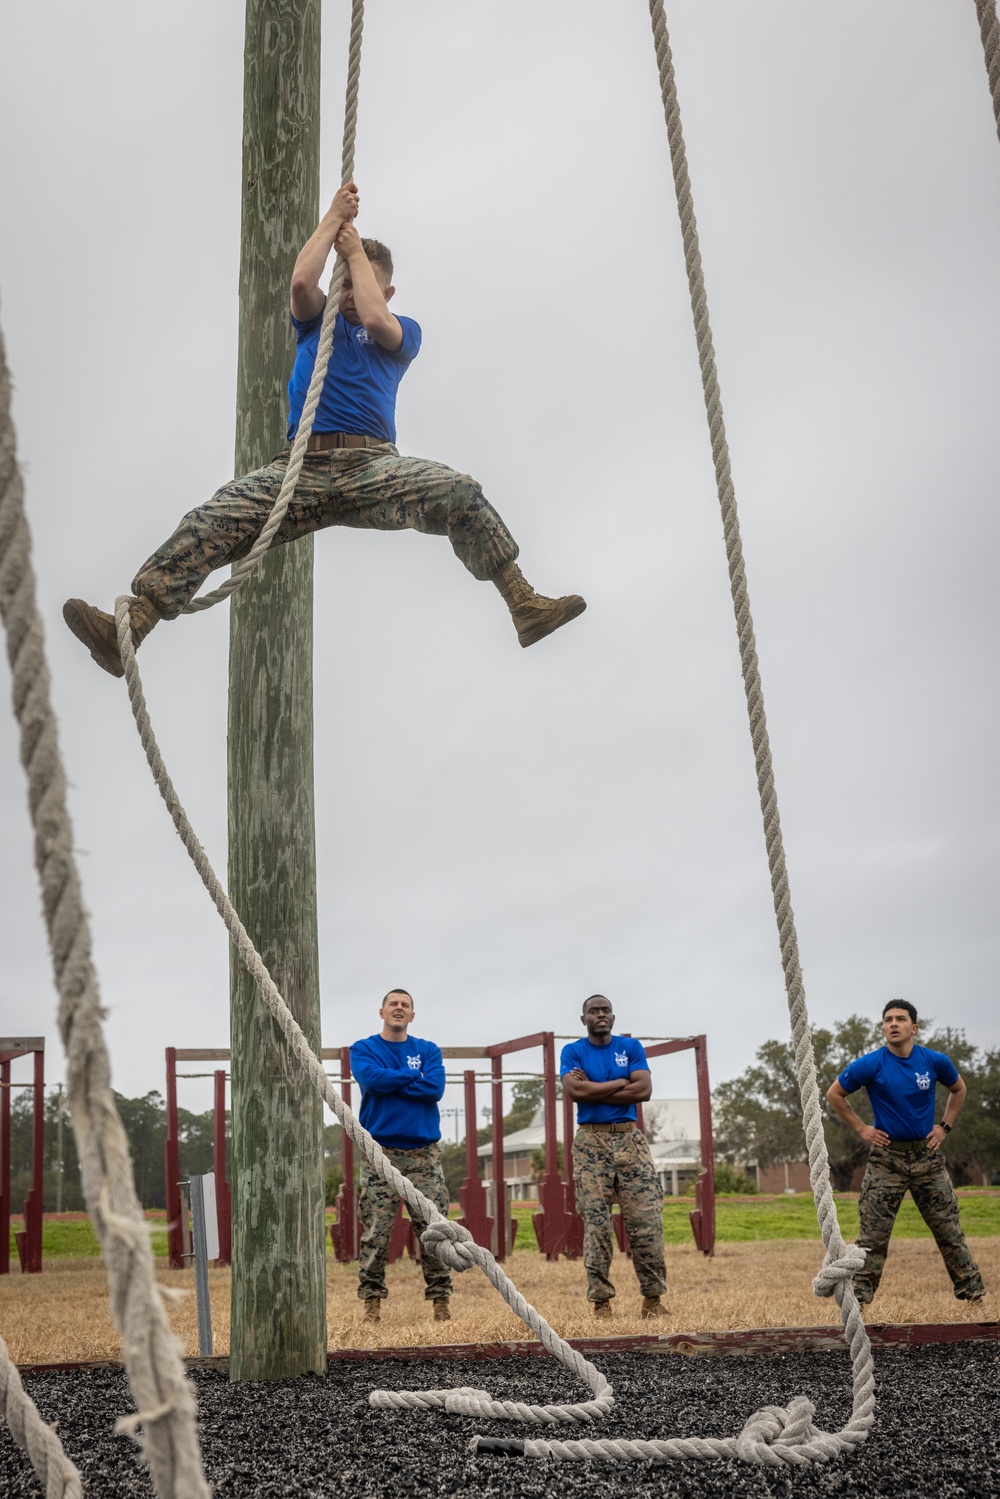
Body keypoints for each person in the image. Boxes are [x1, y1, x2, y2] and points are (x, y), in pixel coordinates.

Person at [62, 181, 586, 675]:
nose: (354, 296)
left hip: (371, 466)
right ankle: (131, 626)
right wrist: (334, 219)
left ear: (387, 288)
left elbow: (379, 320)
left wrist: (356, 253)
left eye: (364, 287)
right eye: (349, 286)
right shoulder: (316, 321)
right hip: (299, 469)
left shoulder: (402, 334)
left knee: (459, 492)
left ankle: (522, 603)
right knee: (211, 519)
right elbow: (300, 281)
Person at [827, 999, 986, 1306]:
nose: (893, 1024)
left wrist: (944, 1126)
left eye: (900, 1019)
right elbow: (835, 1094)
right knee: (872, 1238)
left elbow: (959, 1089)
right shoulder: (870, 1064)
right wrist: (862, 1129)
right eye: (888, 1020)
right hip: (887, 1161)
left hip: (927, 1159)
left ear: (914, 1027)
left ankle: (973, 1296)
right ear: (883, 1027)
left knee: (949, 1231)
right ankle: (859, 1302)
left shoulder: (934, 1061)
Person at [349, 987, 453, 1323]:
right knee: (377, 1232)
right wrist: (412, 1076)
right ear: (381, 1012)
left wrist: (390, 1080)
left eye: (404, 1005)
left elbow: (434, 1089)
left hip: (423, 1155)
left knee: (434, 1229)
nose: (398, 1008)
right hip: (380, 1153)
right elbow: (371, 1079)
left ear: (412, 1015)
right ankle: (372, 1305)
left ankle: (441, 1303)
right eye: (392, 1004)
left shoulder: (428, 1049)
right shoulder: (364, 1048)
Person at [560, 994, 667, 1319]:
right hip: (590, 1142)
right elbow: (575, 1092)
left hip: (630, 1140)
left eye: (605, 1010)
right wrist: (622, 1082)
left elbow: (644, 1091)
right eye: (594, 1011)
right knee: (597, 1226)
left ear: (613, 1017)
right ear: (584, 1020)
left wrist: (598, 1086)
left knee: (646, 1223)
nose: (600, 1015)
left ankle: (653, 1300)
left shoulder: (630, 1048)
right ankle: (601, 1303)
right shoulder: (573, 1051)